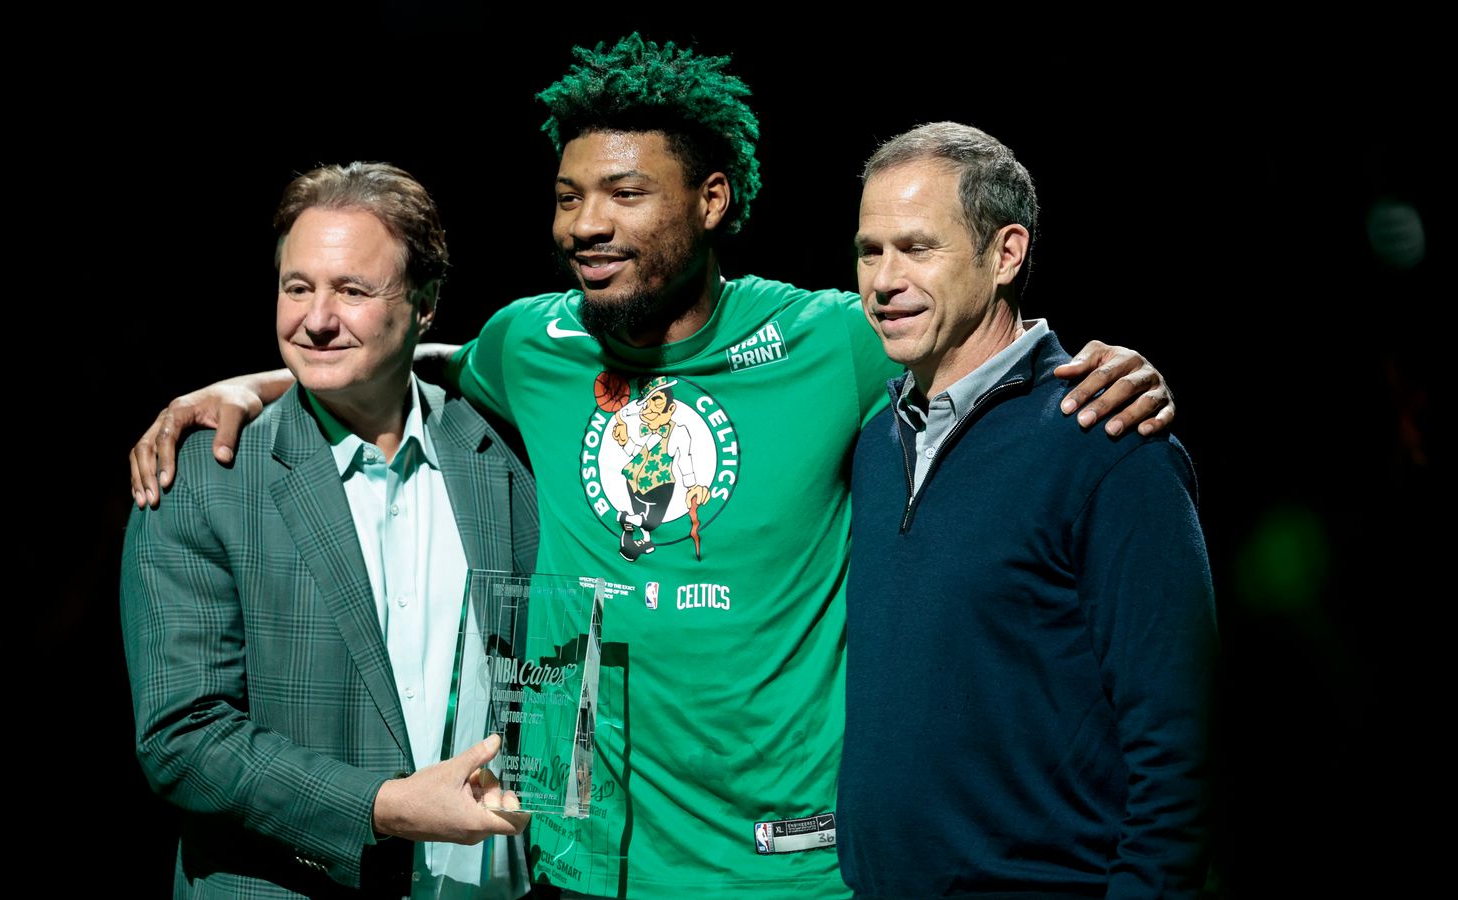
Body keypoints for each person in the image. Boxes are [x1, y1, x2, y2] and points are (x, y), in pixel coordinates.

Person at [128, 36, 1178, 899]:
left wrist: (1094, 365)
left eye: (625, 193)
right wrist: (251, 385)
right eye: (569, 196)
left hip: (792, 871)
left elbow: (967, 342)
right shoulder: (529, 345)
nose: (587, 224)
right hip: (581, 869)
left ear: (713, 199)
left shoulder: (830, 340)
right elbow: (395, 350)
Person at [120, 162, 538, 899]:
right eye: (297, 287)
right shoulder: (202, 479)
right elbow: (181, 738)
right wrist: (383, 810)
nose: (316, 318)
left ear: (426, 303)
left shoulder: (504, 455)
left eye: (351, 290)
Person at [841, 123, 1218, 898]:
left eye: (917, 247)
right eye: (869, 250)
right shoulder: (878, 447)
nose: (883, 279)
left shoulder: (1107, 439)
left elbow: (1180, 741)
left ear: (1006, 253)